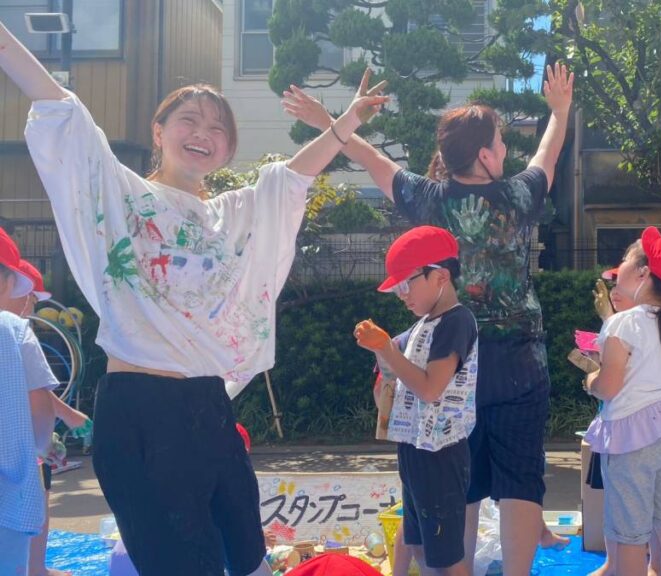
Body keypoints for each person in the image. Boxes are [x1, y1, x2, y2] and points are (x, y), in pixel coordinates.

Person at [0, 17, 389, 574]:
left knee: (249, 559)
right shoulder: (122, 195)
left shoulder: (229, 217)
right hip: (140, 409)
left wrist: (347, 120)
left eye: (218, 127)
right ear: (158, 131)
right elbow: (61, 107)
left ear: (228, 149)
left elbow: (290, 178)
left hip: (209, 405)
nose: (203, 132)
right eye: (189, 119)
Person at [283, 64, 573, 575]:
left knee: (461, 480)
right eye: (501, 142)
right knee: (521, 481)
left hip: (451, 360)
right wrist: (560, 110)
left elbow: (369, 157)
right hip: (520, 363)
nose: (505, 149)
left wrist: (328, 119)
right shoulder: (518, 196)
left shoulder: (428, 198)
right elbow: (547, 154)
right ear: (484, 155)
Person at [355, 226, 478, 575]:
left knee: (446, 556)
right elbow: (390, 383)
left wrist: (386, 349)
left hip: (441, 454)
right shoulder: (422, 327)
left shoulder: (456, 322)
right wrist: (383, 358)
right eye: (397, 289)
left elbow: (430, 388)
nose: (401, 295)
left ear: (440, 276)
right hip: (415, 449)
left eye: (406, 285)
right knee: (420, 542)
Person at [584, 227, 661, 576]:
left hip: (632, 434)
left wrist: (590, 380)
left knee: (630, 536)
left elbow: (609, 386)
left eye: (625, 259)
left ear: (643, 273)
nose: (619, 265)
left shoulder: (621, 323)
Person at [12, 259, 92, 576]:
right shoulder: (16, 333)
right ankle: (35, 568)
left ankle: (34, 566)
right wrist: (46, 442)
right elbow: (39, 395)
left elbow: (36, 390)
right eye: (31, 296)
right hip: (19, 443)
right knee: (34, 494)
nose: (31, 305)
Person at [0, 227, 57, 575]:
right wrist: (41, 447)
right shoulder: (13, 329)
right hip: (7, 498)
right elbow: (41, 410)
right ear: (7, 282)